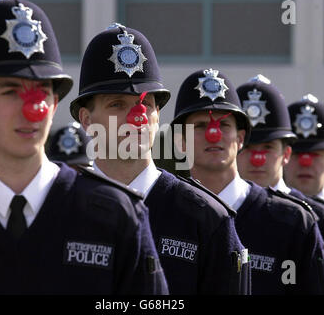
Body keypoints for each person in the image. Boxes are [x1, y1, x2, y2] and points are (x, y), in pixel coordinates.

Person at [0, 0, 167, 294]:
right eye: (10, 91)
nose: (32, 108)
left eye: (42, 92)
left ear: (55, 102)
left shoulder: (117, 215)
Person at [70, 24, 251, 295]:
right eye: (117, 104)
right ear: (86, 119)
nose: (136, 117)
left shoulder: (207, 219)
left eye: (146, 105)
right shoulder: (60, 208)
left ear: (157, 116)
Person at [172, 68, 324, 294]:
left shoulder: (294, 222)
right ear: (180, 141)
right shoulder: (156, 210)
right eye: (201, 126)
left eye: (224, 125)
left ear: (240, 139)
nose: (214, 134)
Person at [236, 75, 324, 290]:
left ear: (286, 153)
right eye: (248, 147)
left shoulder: (319, 220)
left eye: (268, 148)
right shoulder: (211, 212)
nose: (258, 158)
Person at [284, 94, 324, 212]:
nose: (305, 163)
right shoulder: (265, 211)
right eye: (296, 154)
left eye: (315, 155)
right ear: (284, 155)